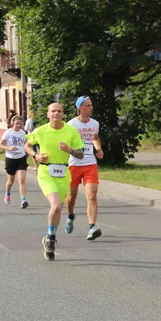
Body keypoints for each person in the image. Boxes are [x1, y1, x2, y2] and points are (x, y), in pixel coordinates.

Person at [23, 102, 85, 261]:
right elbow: (27, 145)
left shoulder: (71, 131)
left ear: (63, 114)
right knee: (56, 205)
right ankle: (50, 237)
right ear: (48, 114)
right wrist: (35, 156)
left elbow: (81, 154)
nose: (56, 113)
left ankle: (50, 236)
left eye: (59, 111)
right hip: (45, 172)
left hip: (63, 172)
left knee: (58, 210)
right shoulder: (41, 130)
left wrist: (69, 150)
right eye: (53, 111)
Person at [64, 96, 105, 240]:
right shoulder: (71, 125)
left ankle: (92, 227)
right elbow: (65, 144)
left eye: (91, 105)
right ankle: (70, 215)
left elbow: (95, 137)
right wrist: (73, 151)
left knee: (92, 195)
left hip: (90, 164)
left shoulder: (95, 123)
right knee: (71, 197)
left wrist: (98, 149)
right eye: (88, 105)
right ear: (81, 108)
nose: (91, 108)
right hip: (74, 165)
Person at [0, 116, 30, 209]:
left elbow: (26, 144)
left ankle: (23, 200)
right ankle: (7, 193)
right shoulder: (8, 132)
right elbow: (0, 145)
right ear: (13, 123)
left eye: (20, 124)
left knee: (21, 180)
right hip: (10, 158)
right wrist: (9, 148)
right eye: (17, 123)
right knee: (10, 181)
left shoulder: (23, 133)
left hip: (21, 157)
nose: (18, 126)